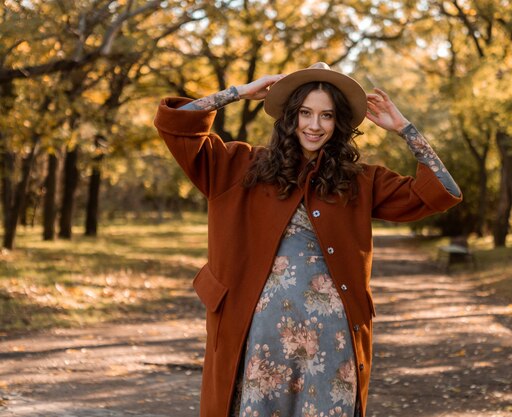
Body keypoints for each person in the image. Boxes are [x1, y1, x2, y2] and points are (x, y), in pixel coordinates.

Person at [153, 62, 461, 417]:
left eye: (326, 116)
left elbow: (442, 191)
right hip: (260, 337)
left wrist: (406, 130)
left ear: (339, 122)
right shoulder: (240, 167)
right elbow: (174, 127)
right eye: (305, 113)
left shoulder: (360, 181)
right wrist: (239, 92)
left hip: (331, 338)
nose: (314, 126)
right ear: (290, 116)